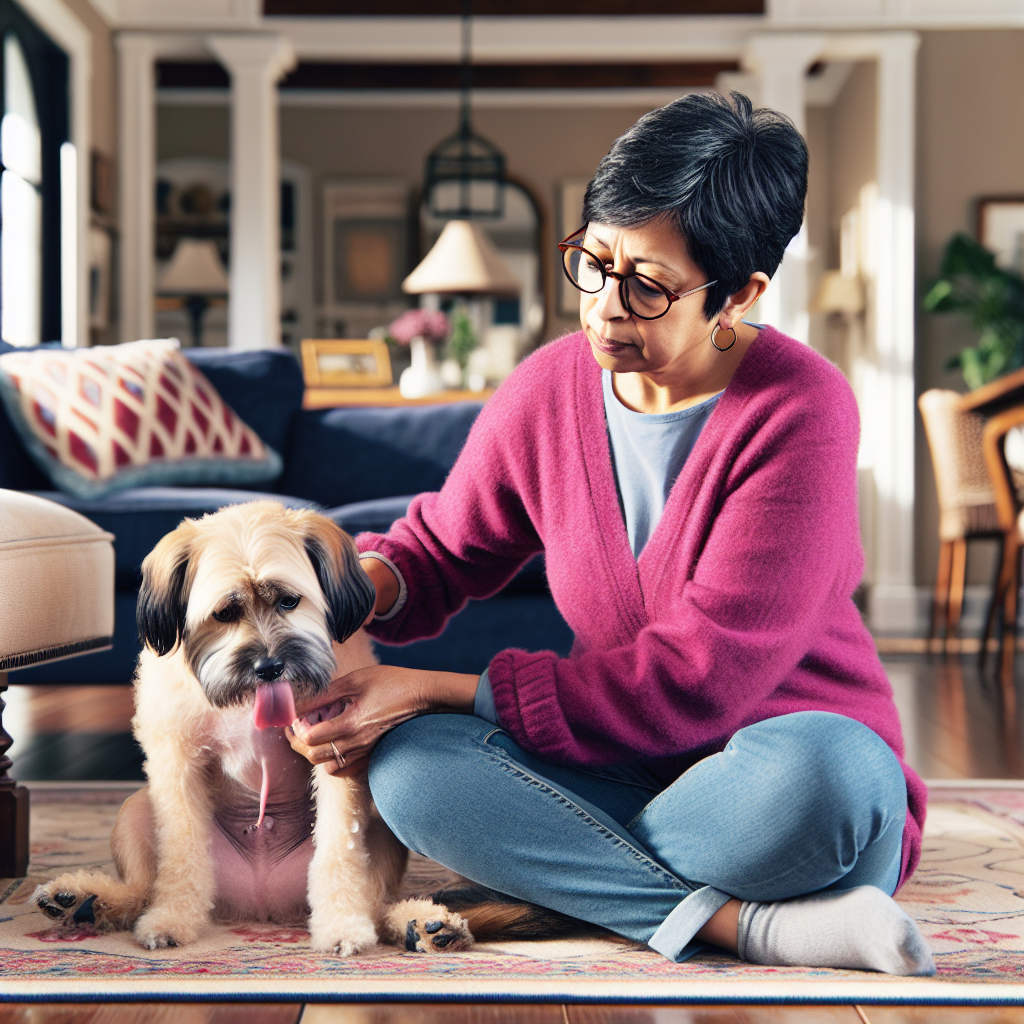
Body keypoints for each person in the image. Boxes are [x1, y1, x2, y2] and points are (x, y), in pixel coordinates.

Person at [287, 92, 933, 975]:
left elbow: (694, 685)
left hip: (775, 776)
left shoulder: (802, 411)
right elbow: (442, 549)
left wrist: (431, 688)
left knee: (836, 775)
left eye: (646, 287)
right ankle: (744, 926)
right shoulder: (551, 385)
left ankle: (558, 875)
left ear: (738, 294)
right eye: (592, 263)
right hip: (614, 765)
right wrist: (327, 584)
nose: (602, 308)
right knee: (410, 771)